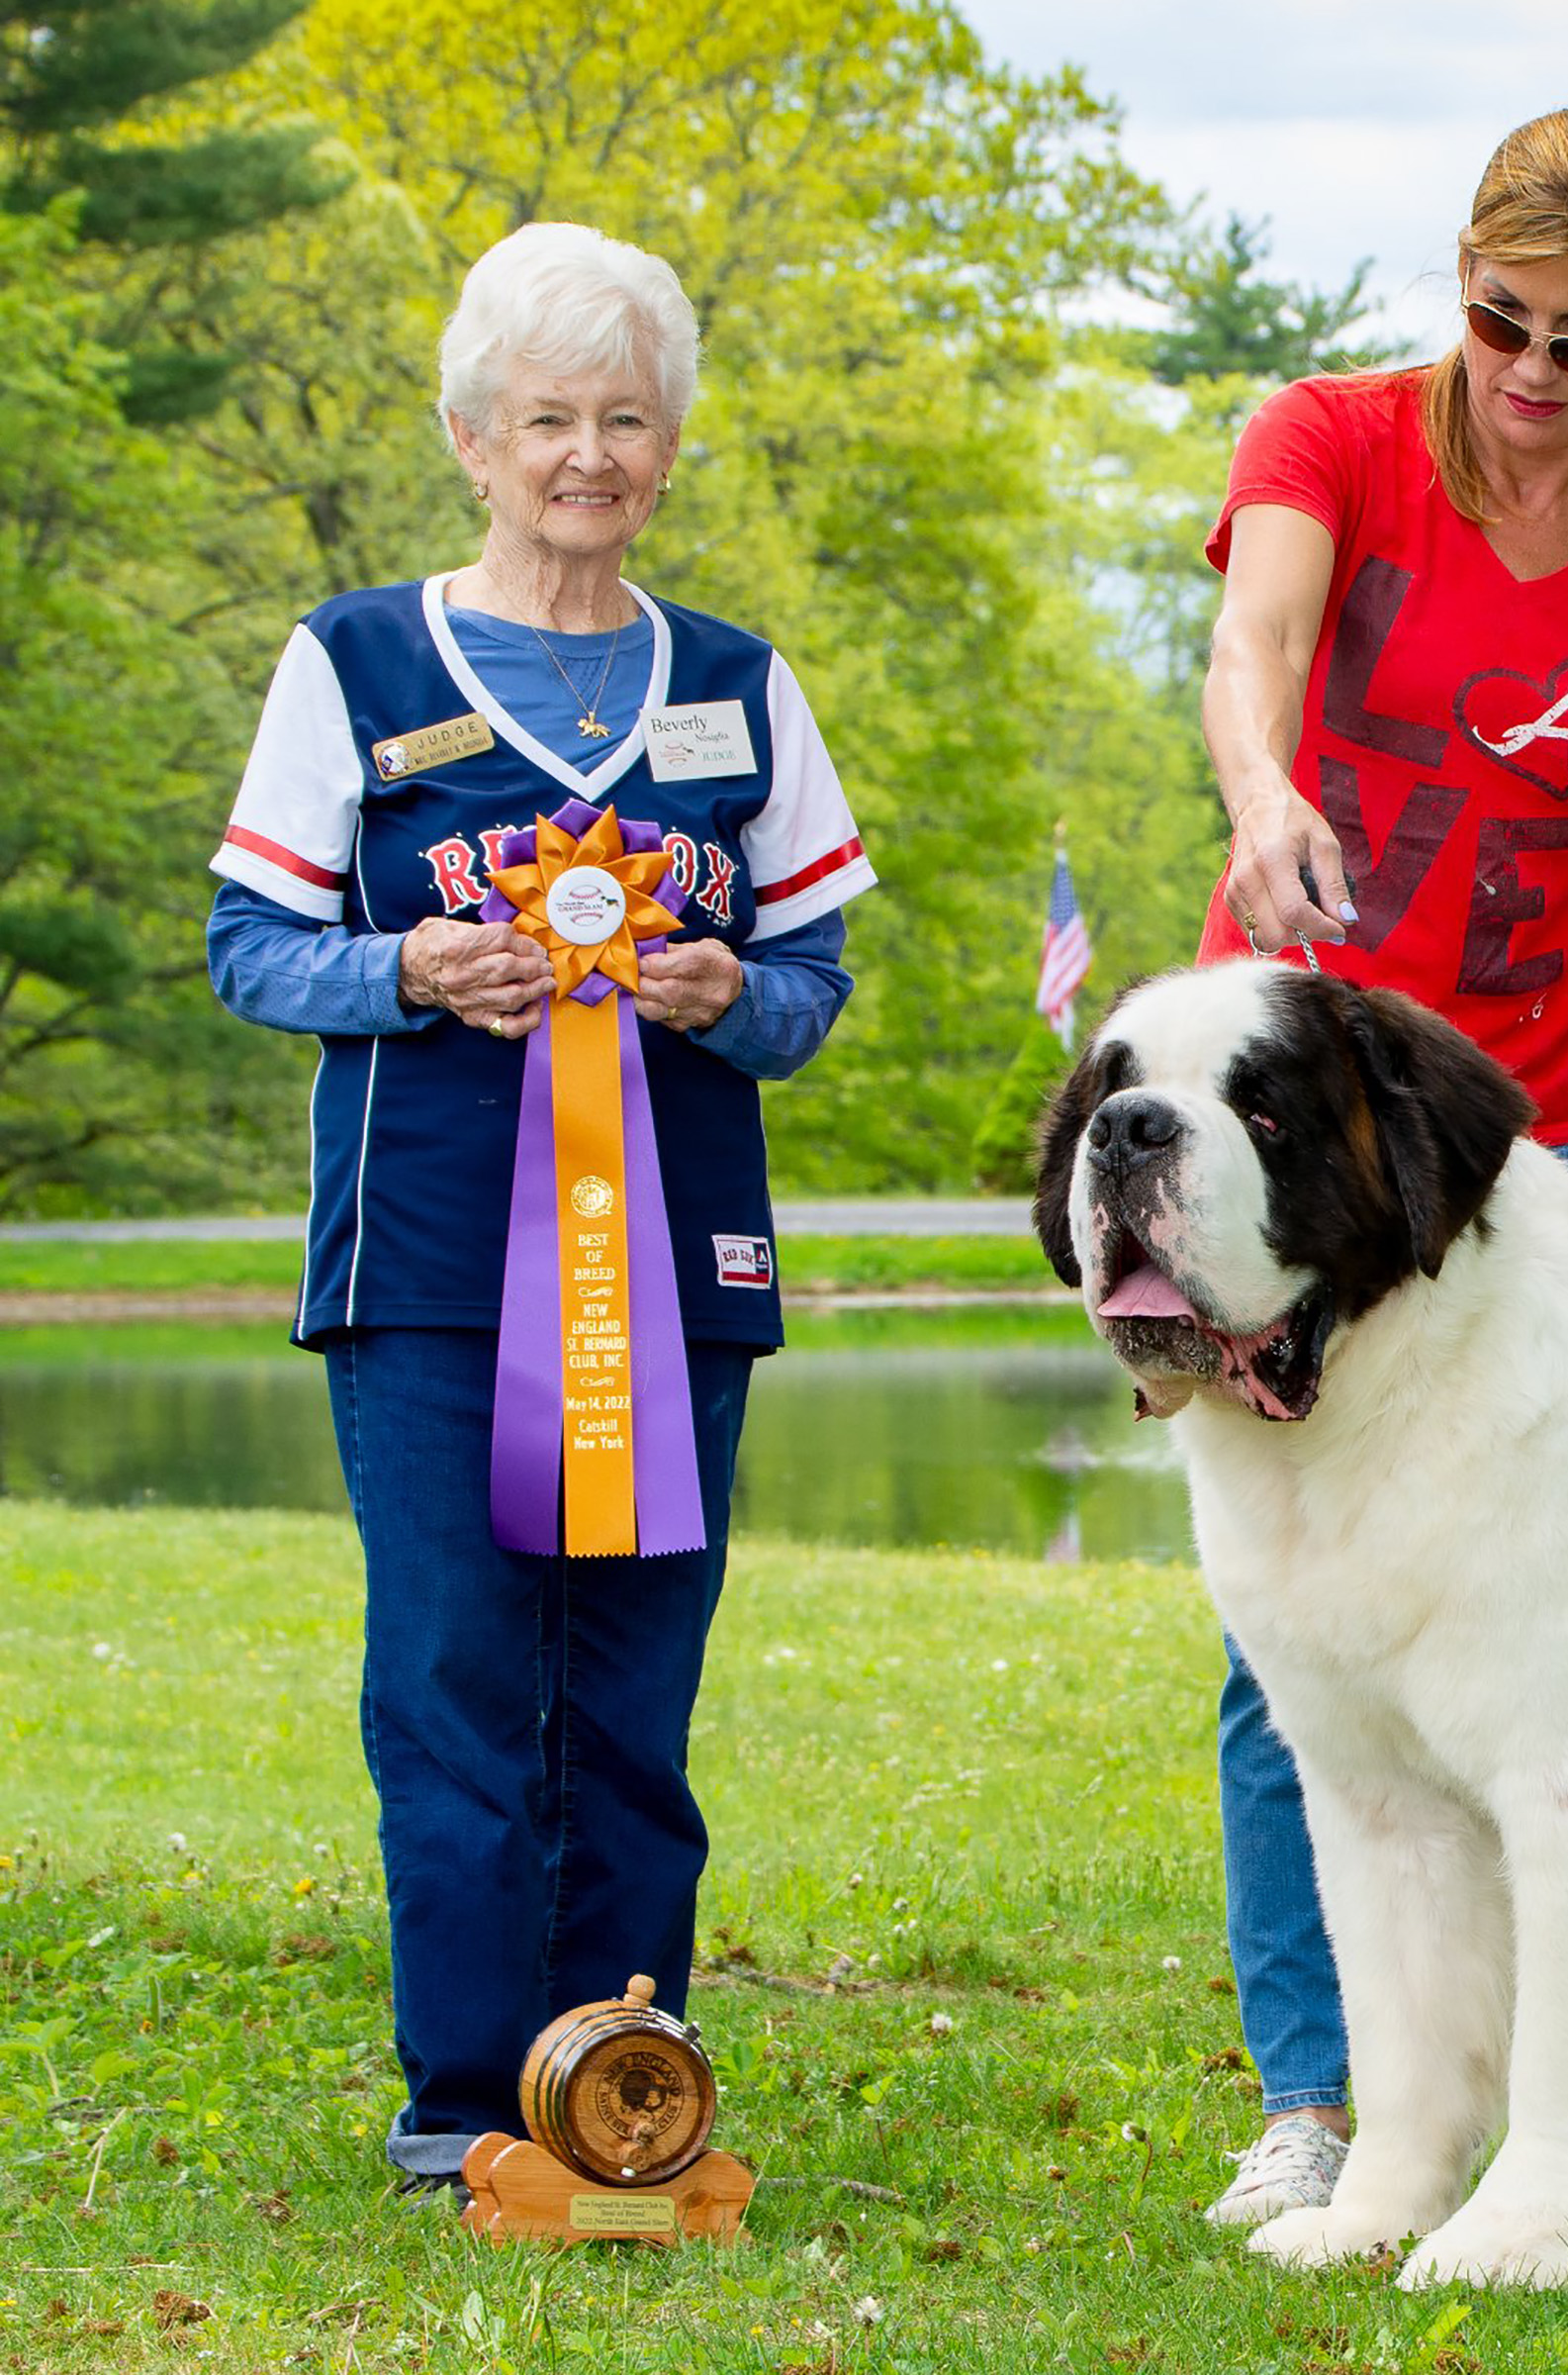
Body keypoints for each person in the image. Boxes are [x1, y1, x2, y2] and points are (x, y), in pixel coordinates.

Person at [205, 222, 876, 2191]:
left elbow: (815, 992)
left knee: (636, 1683)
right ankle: (459, 2101)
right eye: (547, 421)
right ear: (471, 440)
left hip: (681, 1273)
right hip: (419, 1265)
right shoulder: (356, 660)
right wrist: (406, 970)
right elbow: (250, 947)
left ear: (668, 444)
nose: (589, 455)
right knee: (456, 1675)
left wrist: (726, 994)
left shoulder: (741, 691)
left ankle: (622, 2081)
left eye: (626, 420)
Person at [1189, 107, 1568, 2222]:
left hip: (1562, 1110)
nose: (1532, 376)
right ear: (1458, 288)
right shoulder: (1331, 439)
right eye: (1502, 325)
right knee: (1303, 1603)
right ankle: (1326, 2100)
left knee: (1555, 1621)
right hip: (1310, 1103)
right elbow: (1255, 650)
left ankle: (1541, 2103)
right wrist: (1263, 797)